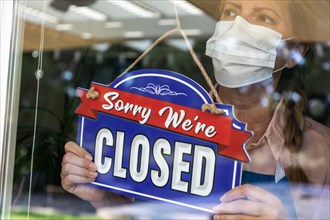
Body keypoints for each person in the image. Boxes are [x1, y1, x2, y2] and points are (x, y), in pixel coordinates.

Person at [61, 0, 330, 219]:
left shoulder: (322, 153)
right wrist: (106, 199)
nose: (239, 28)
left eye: (264, 18)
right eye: (231, 12)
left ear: (296, 49)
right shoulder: (159, 124)